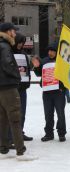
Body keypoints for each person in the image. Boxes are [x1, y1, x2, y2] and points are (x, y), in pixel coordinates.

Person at [0, 22, 27, 159]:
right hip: (9, 87)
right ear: (8, 32)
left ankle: (3, 148)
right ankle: (20, 150)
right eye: (13, 31)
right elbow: (8, 64)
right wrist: (17, 76)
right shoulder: (5, 46)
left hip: (1, 88)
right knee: (15, 117)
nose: (15, 34)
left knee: (3, 118)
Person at [32, 42, 67, 142]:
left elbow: (66, 75)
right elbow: (39, 74)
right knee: (48, 114)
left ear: (57, 52)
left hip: (59, 92)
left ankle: (61, 133)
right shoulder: (44, 61)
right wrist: (37, 66)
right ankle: (49, 134)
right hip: (47, 92)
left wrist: (62, 86)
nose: (50, 53)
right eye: (49, 51)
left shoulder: (61, 61)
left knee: (60, 113)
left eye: (52, 51)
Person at [12, 32, 33, 141]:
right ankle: (12, 136)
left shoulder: (24, 54)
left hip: (23, 88)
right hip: (13, 88)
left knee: (22, 112)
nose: (20, 45)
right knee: (13, 113)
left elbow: (27, 69)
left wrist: (28, 80)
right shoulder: (9, 53)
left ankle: (20, 132)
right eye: (19, 42)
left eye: (22, 43)